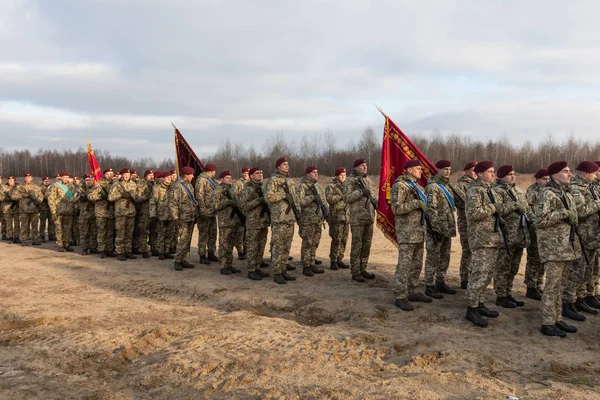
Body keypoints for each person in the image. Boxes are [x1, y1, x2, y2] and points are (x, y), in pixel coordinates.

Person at [465, 161, 517, 328]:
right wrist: (493, 207)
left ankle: (480, 304)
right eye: (490, 172)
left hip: (492, 238)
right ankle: (471, 308)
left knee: (487, 274)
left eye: (494, 172)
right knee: (479, 274)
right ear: (480, 174)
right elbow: (474, 214)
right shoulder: (475, 190)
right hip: (481, 239)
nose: (493, 175)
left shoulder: (489, 190)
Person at [535, 161, 580, 337]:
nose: (570, 174)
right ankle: (547, 323)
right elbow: (539, 220)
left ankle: (557, 318)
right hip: (553, 249)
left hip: (565, 247)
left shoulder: (564, 193)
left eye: (569, 171)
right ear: (555, 176)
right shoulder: (547, 194)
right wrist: (563, 214)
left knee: (560, 286)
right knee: (552, 287)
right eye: (566, 172)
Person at [562, 161, 600, 320]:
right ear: (585, 174)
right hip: (581, 237)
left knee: (587, 271)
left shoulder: (590, 187)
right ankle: (567, 303)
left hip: (592, 237)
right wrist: (598, 204)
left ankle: (580, 298)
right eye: (595, 173)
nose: (597, 175)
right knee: (576, 271)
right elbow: (580, 211)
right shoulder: (575, 189)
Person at [391, 160, 430, 311]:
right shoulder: (399, 186)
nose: (421, 171)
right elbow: (396, 208)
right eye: (418, 169)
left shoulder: (418, 187)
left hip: (419, 231)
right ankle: (400, 295)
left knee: (417, 264)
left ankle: (413, 290)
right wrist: (415, 204)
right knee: (405, 265)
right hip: (407, 232)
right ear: (408, 170)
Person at [492, 165, 528, 308]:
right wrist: (513, 205)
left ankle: (508, 292)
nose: (513, 176)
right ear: (500, 177)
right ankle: (500, 295)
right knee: (503, 268)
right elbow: (497, 210)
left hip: (519, 235)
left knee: (513, 268)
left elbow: (526, 209)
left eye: (513, 174)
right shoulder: (497, 191)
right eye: (509, 175)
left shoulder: (518, 190)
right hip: (506, 236)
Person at [424, 160, 457, 298]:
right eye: (444, 169)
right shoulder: (433, 187)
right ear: (437, 170)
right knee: (433, 257)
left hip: (447, 227)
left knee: (445, 256)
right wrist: (436, 229)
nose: (447, 171)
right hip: (436, 229)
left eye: (449, 169)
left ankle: (440, 281)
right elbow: (431, 210)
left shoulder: (448, 186)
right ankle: (429, 285)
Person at [265, 157, 298, 284]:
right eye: (284, 164)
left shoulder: (289, 180)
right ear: (278, 166)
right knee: (278, 247)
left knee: (286, 246)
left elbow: (294, 197)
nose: (287, 166)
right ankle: (277, 272)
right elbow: (268, 197)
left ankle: (283, 270)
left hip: (289, 218)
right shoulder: (273, 180)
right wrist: (283, 195)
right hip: (279, 219)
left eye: (287, 164)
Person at [342, 159, 377, 282]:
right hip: (357, 218)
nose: (365, 167)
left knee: (366, 245)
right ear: (356, 167)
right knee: (357, 245)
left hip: (369, 217)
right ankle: (355, 271)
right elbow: (346, 198)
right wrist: (360, 192)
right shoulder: (350, 181)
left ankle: (363, 268)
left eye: (366, 165)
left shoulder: (368, 180)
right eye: (362, 166)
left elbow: (373, 197)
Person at [297, 165, 328, 277]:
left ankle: (312, 262)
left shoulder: (318, 186)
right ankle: (306, 266)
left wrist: (325, 211)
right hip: (307, 220)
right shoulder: (303, 186)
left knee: (315, 242)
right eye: (314, 172)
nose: (316, 174)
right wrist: (312, 198)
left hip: (318, 219)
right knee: (307, 242)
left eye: (317, 172)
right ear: (308, 174)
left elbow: (323, 200)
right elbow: (299, 202)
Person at [241, 168, 271, 281]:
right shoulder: (248, 189)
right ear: (251, 176)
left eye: (261, 172)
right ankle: (251, 270)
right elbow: (244, 206)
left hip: (263, 221)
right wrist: (258, 201)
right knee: (252, 247)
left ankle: (257, 267)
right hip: (253, 222)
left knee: (261, 246)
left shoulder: (262, 187)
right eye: (257, 173)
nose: (260, 175)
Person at [524, 169, 550, 300]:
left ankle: (539, 284)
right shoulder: (532, 192)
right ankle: (531, 286)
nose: (547, 181)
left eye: (548, 179)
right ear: (537, 179)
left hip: (545, 231)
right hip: (535, 229)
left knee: (542, 259)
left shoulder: (548, 191)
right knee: (534, 259)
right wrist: (536, 221)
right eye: (544, 179)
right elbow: (527, 209)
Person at [213, 170, 244, 275]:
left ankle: (229, 265)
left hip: (234, 221)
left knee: (230, 245)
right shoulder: (217, 191)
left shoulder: (233, 189)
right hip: (225, 222)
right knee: (224, 245)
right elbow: (215, 206)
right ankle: (223, 266)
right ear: (221, 179)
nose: (229, 179)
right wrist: (226, 202)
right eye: (227, 177)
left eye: (230, 177)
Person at [453, 161, 477, 289]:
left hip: (477, 225)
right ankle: (465, 278)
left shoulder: (478, 184)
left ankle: (473, 276)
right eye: (473, 170)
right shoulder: (461, 185)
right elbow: (462, 203)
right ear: (466, 170)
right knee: (467, 251)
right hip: (466, 223)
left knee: (475, 252)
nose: (476, 172)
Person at [170, 166, 198, 271]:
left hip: (190, 216)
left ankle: (183, 259)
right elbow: (173, 203)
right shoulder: (177, 186)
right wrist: (175, 217)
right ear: (186, 175)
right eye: (191, 174)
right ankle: (177, 260)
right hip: (182, 217)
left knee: (187, 240)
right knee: (182, 240)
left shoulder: (189, 185)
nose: (193, 176)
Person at [108, 168, 138, 261]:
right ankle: (120, 252)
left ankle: (128, 251)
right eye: (125, 174)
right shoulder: (116, 185)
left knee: (129, 233)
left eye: (128, 175)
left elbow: (137, 197)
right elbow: (110, 198)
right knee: (120, 233)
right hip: (121, 212)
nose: (126, 176)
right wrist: (120, 195)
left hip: (131, 212)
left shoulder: (133, 184)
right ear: (121, 175)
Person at [88, 168, 117, 258]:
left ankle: (109, 249)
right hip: (101, 211)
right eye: (108, 174)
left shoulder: (115, 184)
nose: (110, 175)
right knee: (102, 231)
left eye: (111, 173)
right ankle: (102, 250)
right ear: (104, 175)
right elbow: (90, 196)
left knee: (110, 232)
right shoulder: (99, 184)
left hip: (111, 211)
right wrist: (101, 196)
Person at [325, 167, 350, 270]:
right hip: (336, 217)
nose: (343, 177)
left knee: (344, 240)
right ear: (336, 176)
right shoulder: (331, 186)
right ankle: (333, 260)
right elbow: (330, 199)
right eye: (341, 175)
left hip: (346, 217)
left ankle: (340, 259)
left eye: (344, 175)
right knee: (336, 239)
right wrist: (341, 195)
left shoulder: (348, 186)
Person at [48, 171, 79, 252]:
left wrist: (75, 209)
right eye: (64, 177)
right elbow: (51, 199)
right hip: (59, 212)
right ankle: (60, 245)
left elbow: (73, 199)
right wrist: (53, 212)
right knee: (59, 229)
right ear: (61, 177)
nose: (65, 179)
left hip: (69, 211)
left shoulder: (71, 186)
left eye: (67, 177)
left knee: (67, 229)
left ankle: (66, 244)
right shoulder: (56, 186)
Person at [10, 172, 43, 246]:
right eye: (26, 177)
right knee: (24, 225)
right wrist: (23, 195)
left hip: (34, 209)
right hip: (24, 209)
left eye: (29, 177)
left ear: (31, 178)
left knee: (34, 225)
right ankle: (24, 240)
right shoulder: (19, 187)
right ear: (24, 178)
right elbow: (13, 196)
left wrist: (38, 201)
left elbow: (41, 196)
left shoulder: (36, 187)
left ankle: (35, 239)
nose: (27, 178)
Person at [195, 163, 219, 264]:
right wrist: (203, 211)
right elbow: (199, 196)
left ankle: (211, 253)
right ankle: (202, 255)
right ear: (211, 171)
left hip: (212, 212)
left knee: (213, 233)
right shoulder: (201, 180)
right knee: (204, 234)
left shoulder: (212, 180)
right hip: (204, 212)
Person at [150, 171, 174, 260]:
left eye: (170, 177)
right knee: (161, 234)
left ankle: (167, 251)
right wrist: (153, 214)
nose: (169, 179)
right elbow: (152, 201)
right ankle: (161, 252)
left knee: (169, 234)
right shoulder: (157, 188)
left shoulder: (173, 187)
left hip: (171, 214)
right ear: (163, 179)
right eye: (167, 178)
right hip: (161, 214)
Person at [134, 170, 154, 258]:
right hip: (145, 212)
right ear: (145, 177)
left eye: (152, 175)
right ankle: (143, 250)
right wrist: (147, 196)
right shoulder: (141, 186)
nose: (152, 177)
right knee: (143, 231)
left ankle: (154, 248)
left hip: (153, 211)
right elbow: (137, 199)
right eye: (149, 175)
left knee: (154, 232)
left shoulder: (154, 185)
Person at [78, 173, 98, 255]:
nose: (88, 181)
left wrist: (90, 197)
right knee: (84, 232)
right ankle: (84, 248)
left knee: (94, 232)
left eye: (90, 180)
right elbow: (75, 198)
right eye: (86, 180)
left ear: (93, 180)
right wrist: (81, 197)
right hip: (84, 214)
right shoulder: (80, 189)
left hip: (94, 213)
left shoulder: (95, 188)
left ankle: (93, 247)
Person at [233, 166, 250, 260]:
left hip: (249, 212)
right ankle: (240, 251)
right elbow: (235, 196)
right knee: (240, 233)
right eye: (244, 173)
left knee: (247, 234)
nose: (245, 174)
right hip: (241, 211)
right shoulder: (238, 183)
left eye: (247, 173)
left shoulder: (251, 183)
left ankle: (246, 250)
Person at [1, 176, 20, 243]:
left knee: (17, 223)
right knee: (8, 224)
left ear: (14, 180)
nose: (10, 181)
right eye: (9, 180)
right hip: (7, 208)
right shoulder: (4, 188)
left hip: (16, 208)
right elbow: (1, 197)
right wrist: (10, 198)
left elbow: (20, 196)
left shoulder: (18, 187)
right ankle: (10, 237)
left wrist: (15, 198)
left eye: (11, 180)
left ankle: (17, 237)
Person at [38, 176, 55, 242]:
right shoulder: (40, 188)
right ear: (43, 181)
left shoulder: (52, 187)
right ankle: (42, 236)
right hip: (43, 207)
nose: (47, 182)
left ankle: (51, 235)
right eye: (45, 181)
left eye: (48, 181)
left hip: (50, 207)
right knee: (42, 222)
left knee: (51, 222)